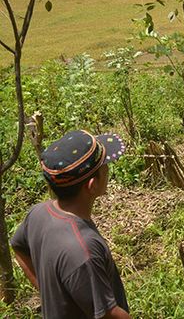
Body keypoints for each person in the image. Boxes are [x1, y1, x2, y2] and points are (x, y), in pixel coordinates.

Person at [11, 130, 129, 319]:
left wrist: (50, 295)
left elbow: (18, 247)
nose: (108, 169)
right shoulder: (84, 251)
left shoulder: (38, 213)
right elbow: (109, 314)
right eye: (104, 166)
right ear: (91, 185)